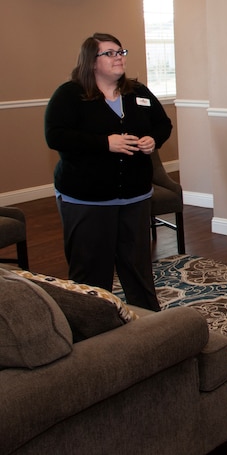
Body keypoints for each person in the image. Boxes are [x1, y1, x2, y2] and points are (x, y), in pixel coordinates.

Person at [45, 33, 172, 311]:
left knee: (137, 267)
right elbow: (56, 137)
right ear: (92, 61)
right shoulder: (70, 95)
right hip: (88, 199)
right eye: (110, 53)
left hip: (135, 197)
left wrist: (153, 139)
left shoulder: (137, 92)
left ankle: (150, 324)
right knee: (91, 271)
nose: (119, 57)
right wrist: (105, 143)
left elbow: (163, 124)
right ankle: (93, 327)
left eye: (121, 52)